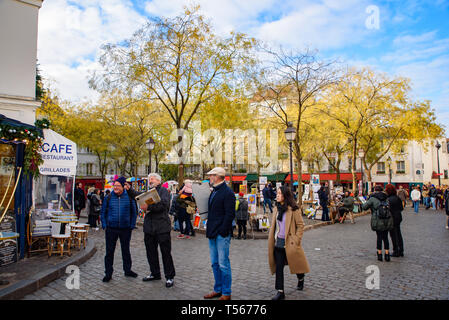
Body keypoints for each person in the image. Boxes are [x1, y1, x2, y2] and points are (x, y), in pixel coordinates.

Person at [268, 185, 310, 300]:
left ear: (285, 196)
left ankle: (301, 277)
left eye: (280, 193)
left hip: (290, 242)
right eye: (277, 193)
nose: (277, 195)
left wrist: (296, 240)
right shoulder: (276, 209)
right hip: (278, 242)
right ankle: (280, 292)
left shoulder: (294, 209)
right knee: (279, 267)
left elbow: (301, 225)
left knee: (295, 264)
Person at [203, 167, 235, 301]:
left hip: (221, 233)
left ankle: (226, 292)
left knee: (223, 263)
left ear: (218, 177)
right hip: (212, 232)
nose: (210, 177)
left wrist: (222, 231)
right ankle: (218, 289)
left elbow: (230, 214)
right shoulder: (214, 191)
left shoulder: (227, 192)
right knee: (215, 263)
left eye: (211, 175)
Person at [141, 173, 175, 288]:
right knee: (151, 252)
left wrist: (149, 207)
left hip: (162, 227)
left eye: (152, 179)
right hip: (149, 228)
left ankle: (169, 276)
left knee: (166, 253)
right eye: (149, 179)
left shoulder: (164, 191)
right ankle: (155, 273)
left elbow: (164, 205)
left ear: (159, 181)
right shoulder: (147, 193)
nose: (150, 180)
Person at [100, 177, 138, 282]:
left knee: (126, 250)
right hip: (111, 229)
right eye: (114, 186)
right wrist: (104, 225)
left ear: (123, 187)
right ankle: (108, 273)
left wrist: (131, 225)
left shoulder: (130, 197)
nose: (115, 188)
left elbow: (134, 212)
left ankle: (127, 270)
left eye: (118, 186)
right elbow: (103, 212)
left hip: (125, 229)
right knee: (109, 252)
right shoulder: (108, 197)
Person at [362, 185, 394, 262]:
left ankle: (379, 254)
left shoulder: (373, 198)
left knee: (379, 237)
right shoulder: (386, 197)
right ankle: (387, 254)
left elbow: (364, 207)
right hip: (386, 219)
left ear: (375, 190)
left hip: (377, 218)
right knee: (385, 237)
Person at [385, 184, 404, 257]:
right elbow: (401, 208)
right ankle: (401, 250)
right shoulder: (397, 198)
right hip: (398, 217)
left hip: (392, 218)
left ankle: (396, 250)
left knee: (393, 235)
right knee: (398, 234)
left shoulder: (389, 199)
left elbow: (388, 209)